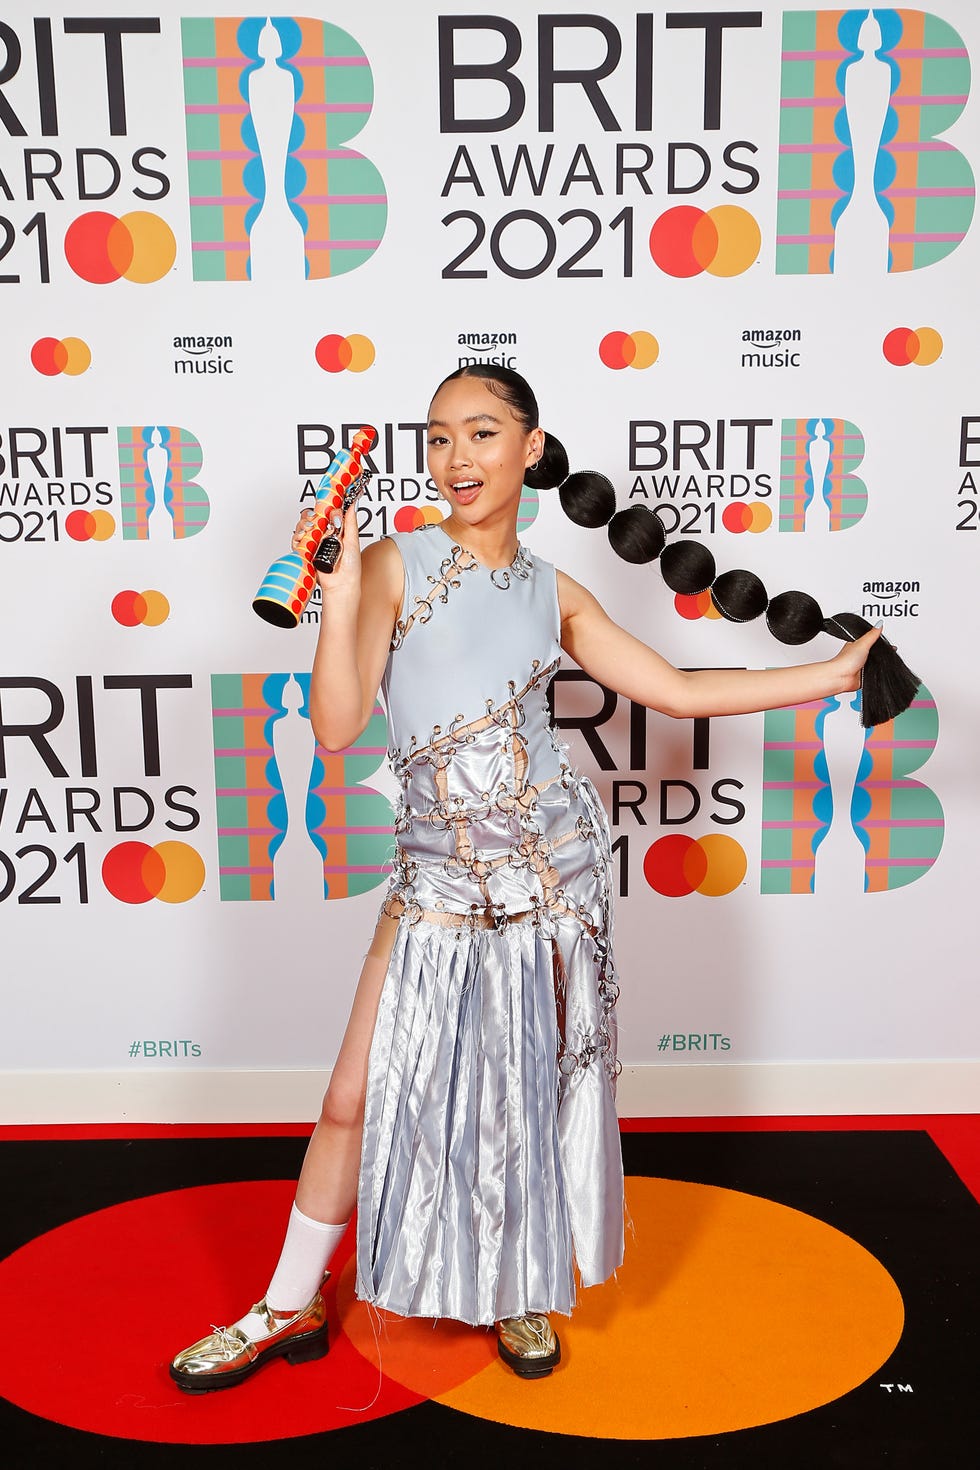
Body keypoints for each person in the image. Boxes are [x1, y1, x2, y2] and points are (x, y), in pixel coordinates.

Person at [170, 366, 879, 1391]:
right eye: (440, 438)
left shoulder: (554, 589)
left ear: (531, 449)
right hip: (436, 887)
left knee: (522, 1095)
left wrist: (834, 674)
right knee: (347, 1098)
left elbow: (674, 691)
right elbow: (332, 728)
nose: (458, 459)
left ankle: (516, 1289)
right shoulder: (392, 562)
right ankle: (287, 1304)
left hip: (554, 883)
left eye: (483, 434)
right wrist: (334, 601)